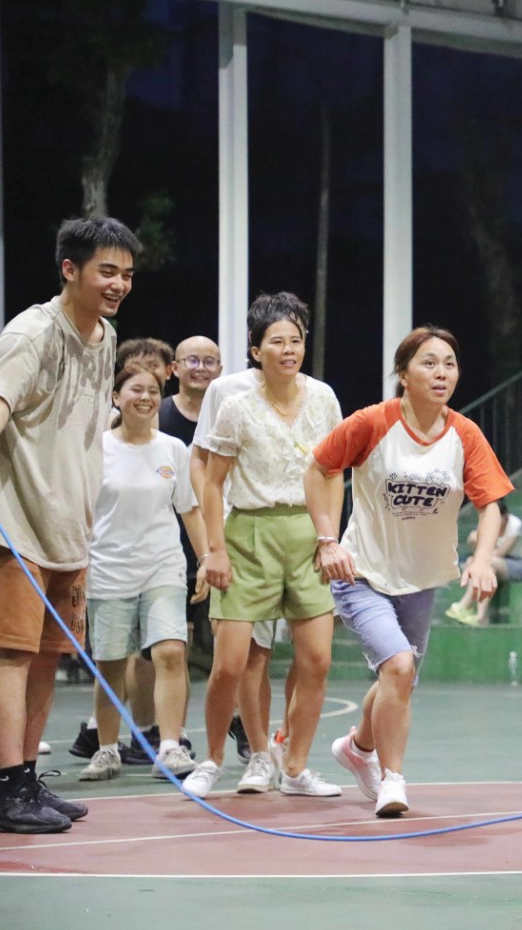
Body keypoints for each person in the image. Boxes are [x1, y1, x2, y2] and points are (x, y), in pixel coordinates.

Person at [0, 216, 140, 833]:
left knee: (46, 659)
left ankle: (27, 783)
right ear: (70, 270)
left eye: (127, 274)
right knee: (11, 657)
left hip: (70, 529)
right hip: (16, 523)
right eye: (107, 271)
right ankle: (7, 793)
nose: (118, 284)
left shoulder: (106, 335)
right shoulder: (32, 332)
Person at [309, 326, 512, 816]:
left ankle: (357, 748)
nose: (442, 373)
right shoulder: (372, 423)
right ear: (403, 374)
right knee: (399, 667)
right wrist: (326, 540)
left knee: (399, 680)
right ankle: (392, 780)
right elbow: (318, 468)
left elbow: (490, 505)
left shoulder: (464, 434)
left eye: (450, 364)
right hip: (362, 573)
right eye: (429, 362)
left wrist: (482, 559)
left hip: (421, 580)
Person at [182, 294, 344, 799]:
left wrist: (330, 538)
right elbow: (212, 483)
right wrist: (214, 550)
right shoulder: (236, 406)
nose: (289, 349)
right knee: (231, 664)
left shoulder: (323, 398)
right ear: (256, 350)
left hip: (308, 533)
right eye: (277, 341)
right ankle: (211, 759)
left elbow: (334, 473)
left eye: (296, 340)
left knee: (317, 659)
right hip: (248, 533)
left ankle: (294, 767)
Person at [77, 367, 206, 783]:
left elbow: (189, 509)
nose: (146, 397)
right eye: (136, 389)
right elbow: (80, 511)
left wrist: (207, 558)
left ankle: (169, 747)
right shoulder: (95, 449)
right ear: (116, 397)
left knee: (170, 652)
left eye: (153, 390)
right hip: (108, 568)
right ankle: (107, 750)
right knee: (111, 664)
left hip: (163, 566)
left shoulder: (172, 449)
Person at [446, 503, 522, 626]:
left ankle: (464, 604)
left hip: (516, 564)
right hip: (493, 563)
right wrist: (473, 543)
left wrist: (478, 558)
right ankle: (481, 616)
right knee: (488, 569)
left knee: (480, 563)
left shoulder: (515, 524)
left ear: (505, 516)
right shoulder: (487, 523)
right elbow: (480, 550)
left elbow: (501, 552)